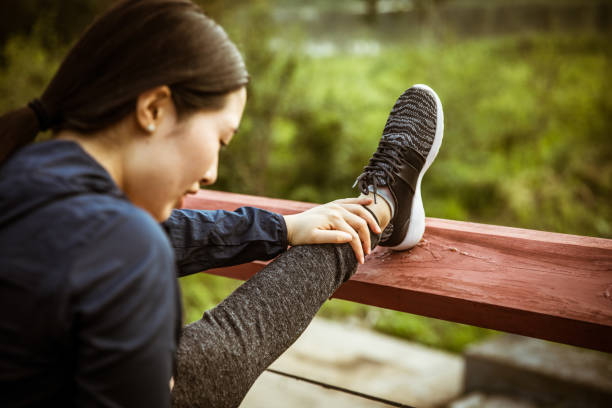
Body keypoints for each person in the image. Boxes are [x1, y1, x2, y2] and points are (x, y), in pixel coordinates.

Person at [0, 0, 444, 407]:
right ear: (154, 107)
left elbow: (142, 238)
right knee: (228, 347)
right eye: (220, 140)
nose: (211, 171)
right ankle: (383, 207)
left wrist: (281, 229)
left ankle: (383, 209)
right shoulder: (126, 248)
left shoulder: (22, 176)